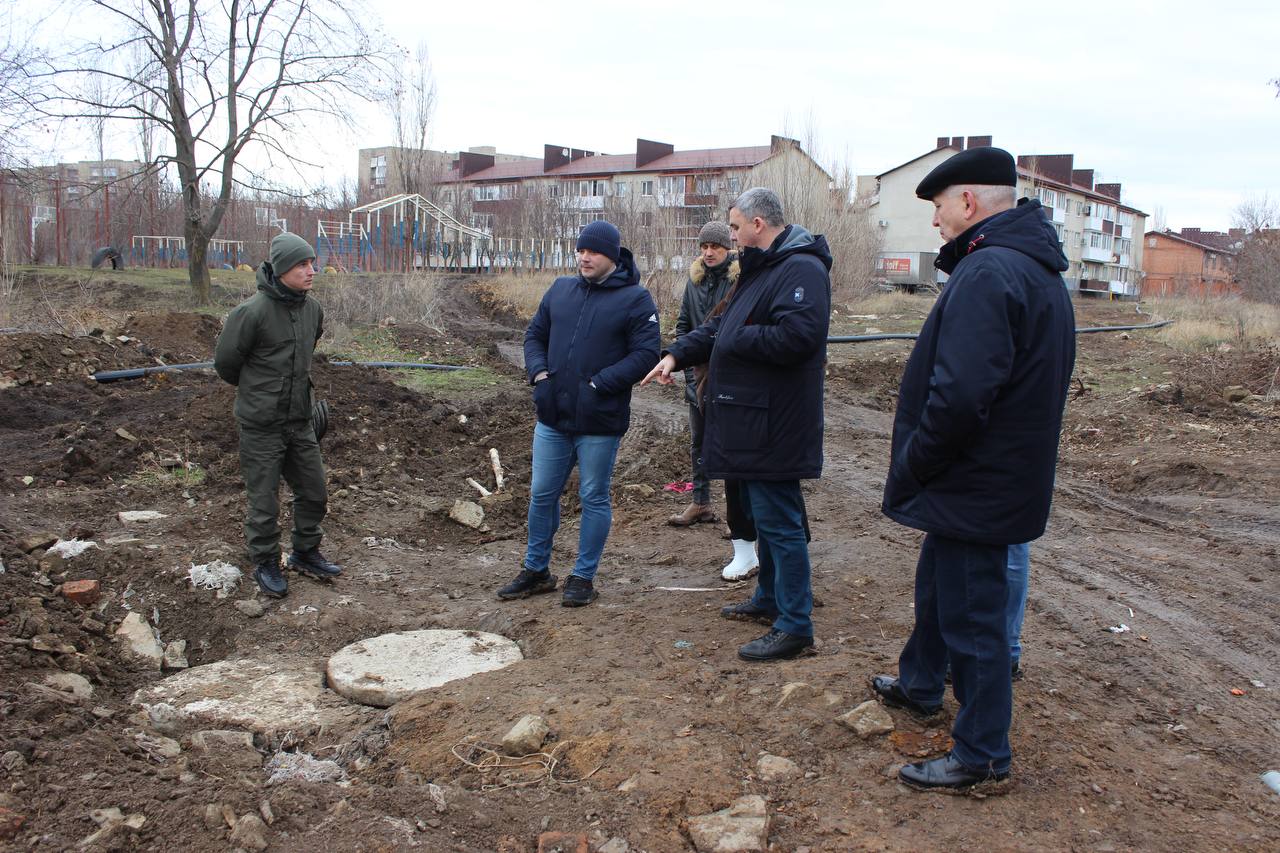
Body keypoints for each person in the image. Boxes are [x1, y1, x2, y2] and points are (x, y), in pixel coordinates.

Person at [871, 146, 1076, 791]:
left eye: (937, 207)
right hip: (996, 476)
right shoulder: (1031, 268)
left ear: (966, 202)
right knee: (942, 583)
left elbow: (960, 397)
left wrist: (917, 462)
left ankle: (984, 753)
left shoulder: (990, 273)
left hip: (974, 479)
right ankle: (922, 683)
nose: (935, 222)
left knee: (973, 615)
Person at [644, 188, 831, 661]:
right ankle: (770, 598)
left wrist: (735, 336)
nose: (729, 235)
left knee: (781, 523)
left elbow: (798, 336)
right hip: (749, 418)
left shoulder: (801, 269)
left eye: (734, 226)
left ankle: (795, 624)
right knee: (764, 520)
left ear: (759, 224)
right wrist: (676, 354)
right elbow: (715, 325)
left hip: (775, 423)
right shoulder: (758, 269)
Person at [496, 220, 660, 607]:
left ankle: (582, 577)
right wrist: (539, 375)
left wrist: (599, 384)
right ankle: (536, 570)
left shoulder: (636, 299)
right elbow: (534, 335)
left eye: (594, 252)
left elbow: (646, 355)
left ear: (613, 257)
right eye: (580, 250)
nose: (584, 257)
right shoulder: (561, 290)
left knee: (593, 496)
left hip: (599, 421)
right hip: (553, 415)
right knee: (541, 495)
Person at [213, 233, 341, 598]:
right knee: (264, 500)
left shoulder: (312, 310)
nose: (311, 271)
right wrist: (260, 394)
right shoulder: (250, 313)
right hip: (261, 424)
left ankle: (305, 551)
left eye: (312, 263)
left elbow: (306, 354)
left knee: (314, 491)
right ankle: (267, 560)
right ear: (282, 268)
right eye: (302, 265)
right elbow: (226, 365)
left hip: (299, 420)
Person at [666, 221, 760, 581]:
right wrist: (690, 375)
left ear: (728, 249)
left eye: (716, 247)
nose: (708, 253)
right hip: (697, 377)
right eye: (704, 246)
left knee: (736, 451)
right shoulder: (694, 281)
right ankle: (701, 502)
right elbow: (684, 327)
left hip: (729, 382)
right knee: (698, 443)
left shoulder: (740, 280)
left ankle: (743, 522)